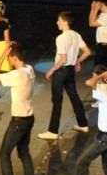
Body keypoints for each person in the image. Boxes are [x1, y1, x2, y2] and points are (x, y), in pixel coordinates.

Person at [0, 43, 38, 175]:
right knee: (24, 152)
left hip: (18, 121)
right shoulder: (30, 69)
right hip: (29, 117)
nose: (8, 61)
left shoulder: (16, 75)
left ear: (14, 58)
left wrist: (2, 55)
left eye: (9, 58)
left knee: (4, 154)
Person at [38, 11, 91, 140]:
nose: (57, 23)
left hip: (61, 71)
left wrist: (51, 70)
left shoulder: (61, 38)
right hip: (70, 71)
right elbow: (87, 52)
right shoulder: (76, 35)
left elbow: (63, 59)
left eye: (59, 21)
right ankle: (83, 124)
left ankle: (53, 131)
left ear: (65, 22)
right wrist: (77, 61)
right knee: (74, 96)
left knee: (57, 100)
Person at [88, 0, 107, 72]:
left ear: (101, 4)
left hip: (105, 46)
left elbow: (91, 24)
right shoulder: (103, 14)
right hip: (104, 45)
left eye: (97, 4)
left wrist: (95, 10)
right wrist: (92, 10)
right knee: (100, 68)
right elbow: (91, 21)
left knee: (100, 69)